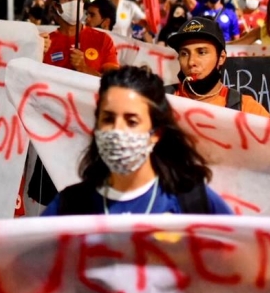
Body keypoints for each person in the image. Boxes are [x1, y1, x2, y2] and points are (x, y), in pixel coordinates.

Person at [42, 66, 233, 215]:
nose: (117, 130)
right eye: (108, 119)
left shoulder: (191, 201)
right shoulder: (72, 205)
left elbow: (241, 257)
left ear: (156, 133)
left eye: (131, 121)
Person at [165, 17, 270, 116]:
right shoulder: (158, 101)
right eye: (184, 53)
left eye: (201, 52)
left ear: (221, 58)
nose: (191, 62)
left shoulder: (248, 110)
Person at [44, 0, 118, 76]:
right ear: (56, 6)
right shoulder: (46, 44)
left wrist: (84, 68)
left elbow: (114, 83)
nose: (75, 3)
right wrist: (37, 52)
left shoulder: (103, 40)